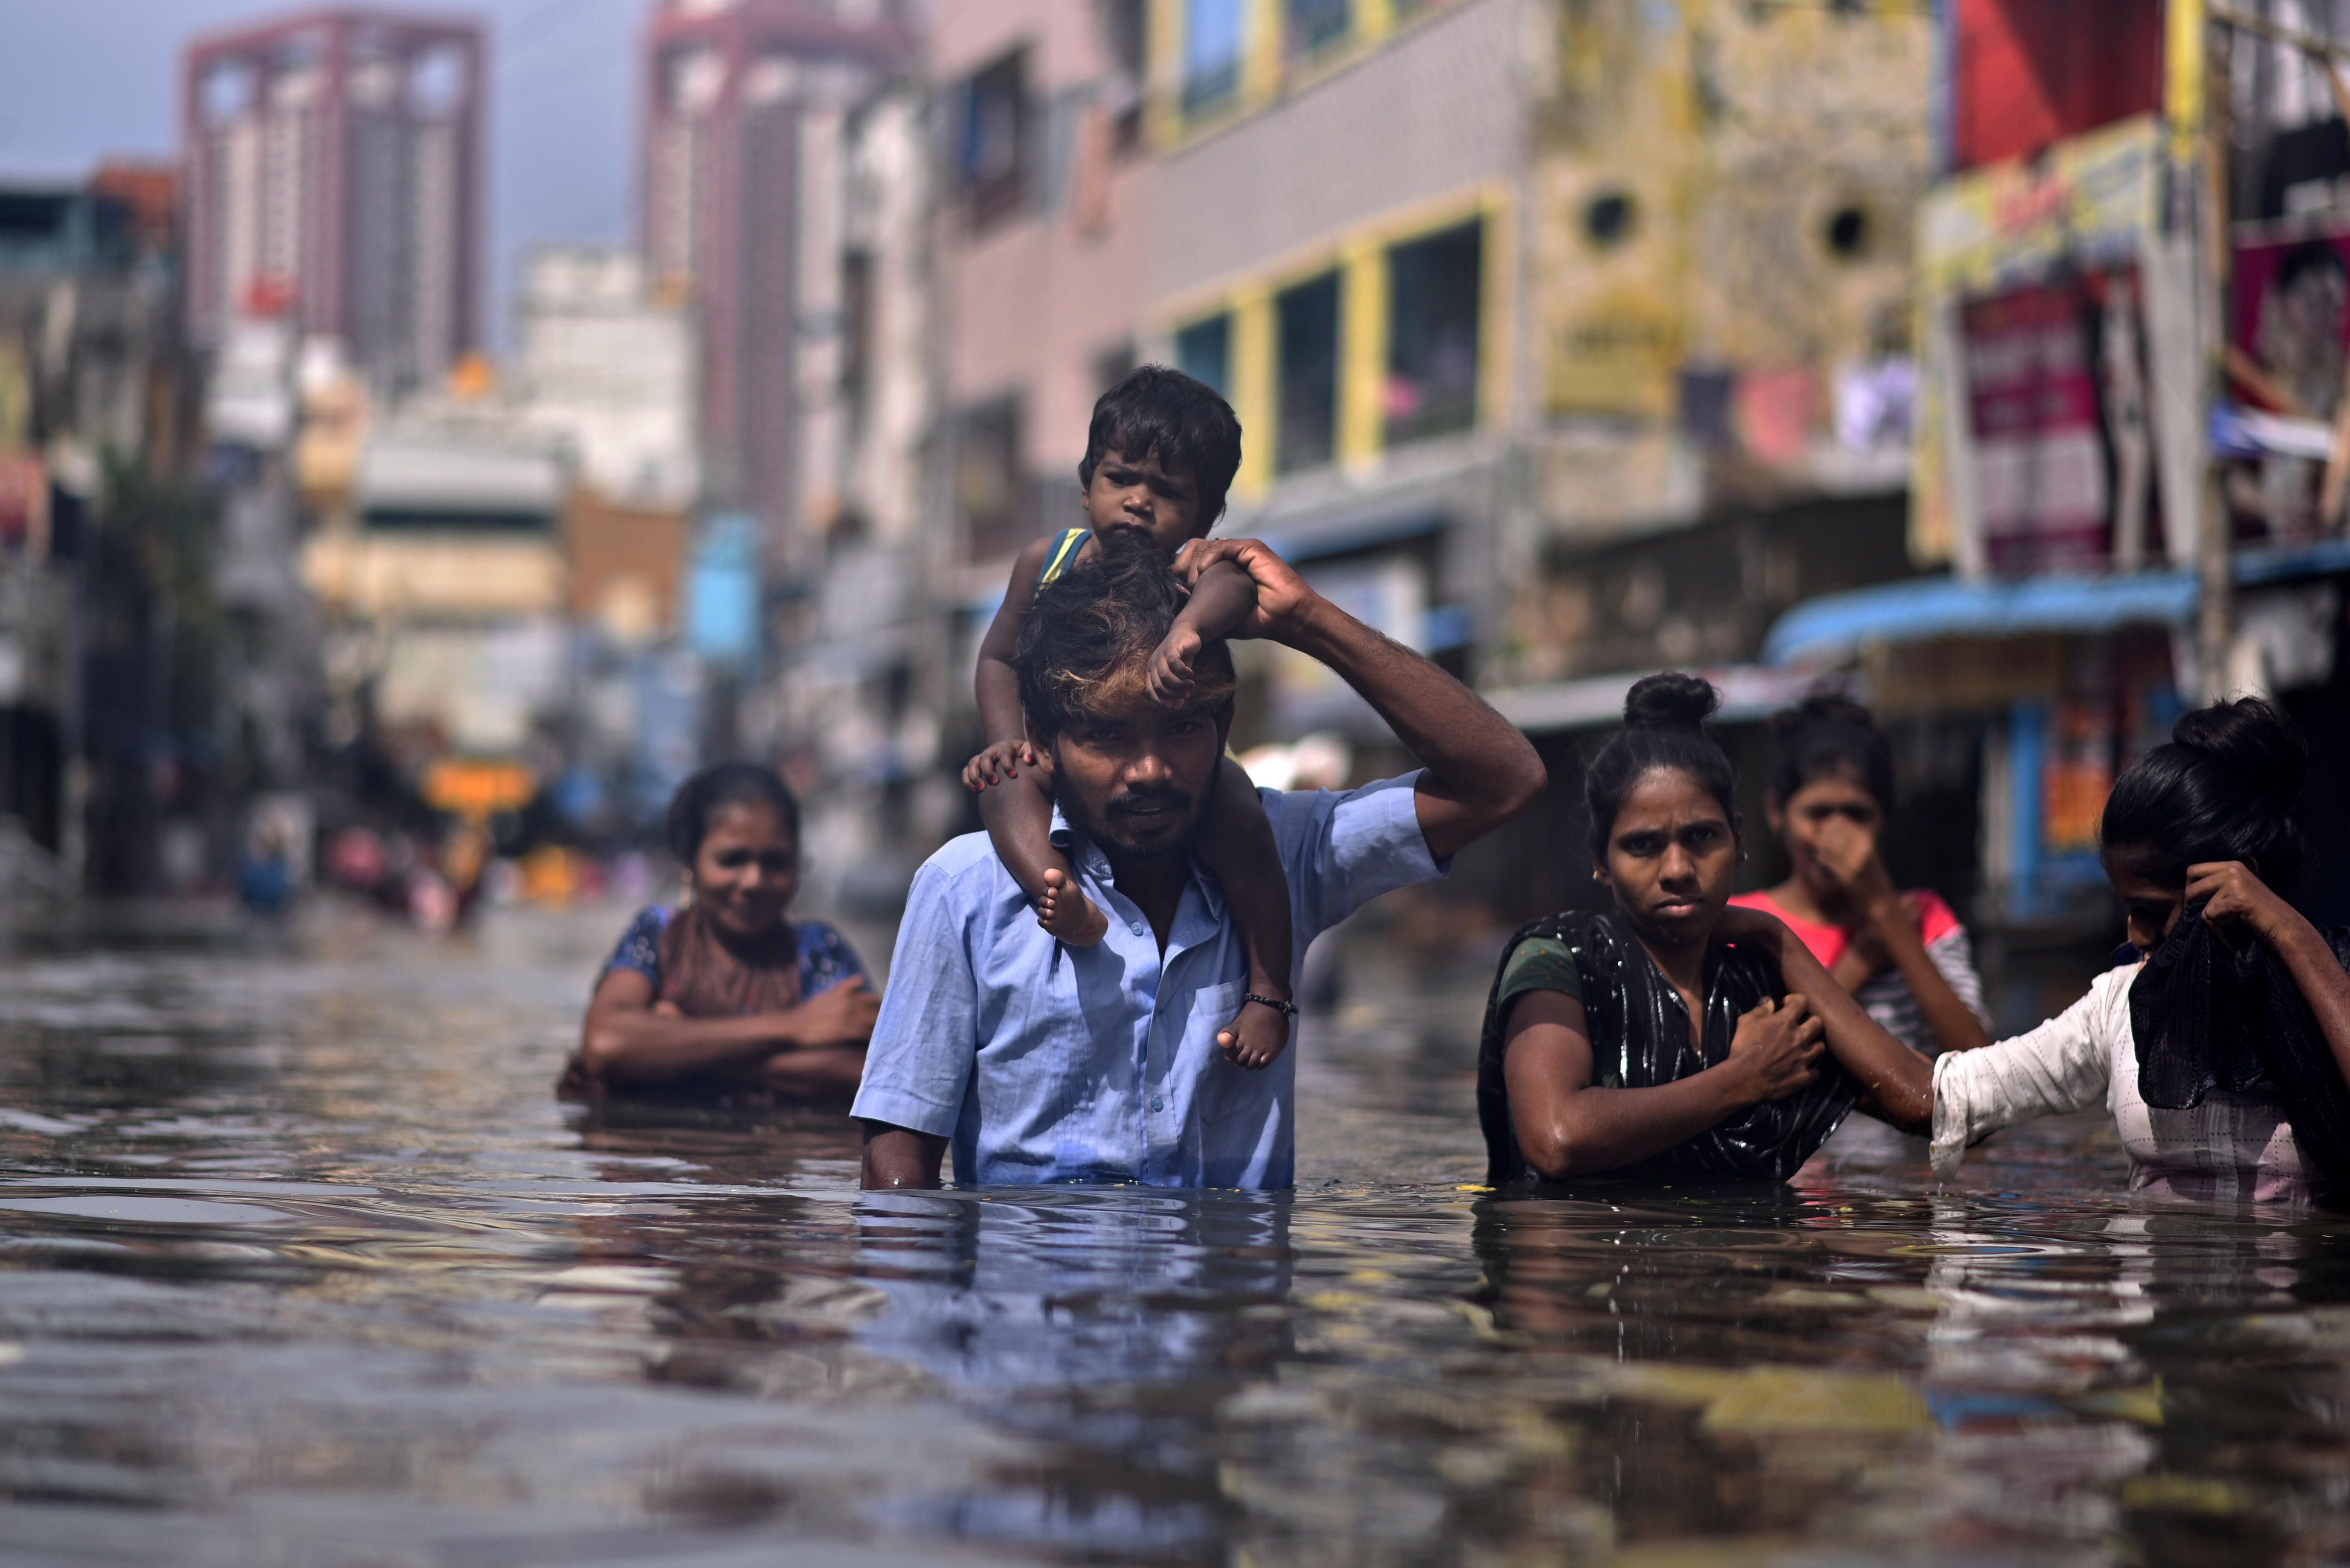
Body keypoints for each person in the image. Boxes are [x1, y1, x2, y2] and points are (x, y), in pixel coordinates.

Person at [856, 543, 1546, 1190]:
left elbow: (1505, 781)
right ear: (1041, 739)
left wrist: (1309, 620)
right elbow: (900, 1166)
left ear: (1224, 725)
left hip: (1230, 1313)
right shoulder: (964, 889)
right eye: (1107, 736)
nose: (1150, 770)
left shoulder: (1287, 853)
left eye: (1184, 728)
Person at [962, 365, 1296, 1071]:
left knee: (1242, 813)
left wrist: (1188, 632)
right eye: (1121, 480)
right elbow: (998, 660)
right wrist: (1006, 741)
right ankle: (1057, 892)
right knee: (1003, 784)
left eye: (1169, 492)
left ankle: (1268, 990)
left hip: (1183, 773)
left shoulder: (1196, 570)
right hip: (1068, 759)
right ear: (1087, 486)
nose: (1139, 503)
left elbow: (1236, 586)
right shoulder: (1048, 561)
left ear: (1207, 515)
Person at [1475, 674, 1932, 1186]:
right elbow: (1556, 1138)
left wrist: (1777, 939)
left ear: (1738, 842)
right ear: (1600, 862)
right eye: (1642, 845)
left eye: (1701, 837)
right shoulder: (1558, 959)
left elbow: (1925, 1106)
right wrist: (1742, 1079)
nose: (1676, 869)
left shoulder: (1757, 988)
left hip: (1736, 1262)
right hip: (1587, 1259)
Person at [1921, 698, 2350, 1205]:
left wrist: (2288, 932)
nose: (2136, 936)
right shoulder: (2121, 1003)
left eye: (2151, 911)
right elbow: (1954, 1094)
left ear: (2240, 888)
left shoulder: (2331, 978)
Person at [565, 763, 881, 1105]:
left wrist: (675, 1052)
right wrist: (795, 1027)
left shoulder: (817, 950)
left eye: (774, 862)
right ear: (691, 862)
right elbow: (608, 1041)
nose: (753, 881)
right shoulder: (660, 934)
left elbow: (870, 1073)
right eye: (733, 860)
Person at [1732, 694, 1990, 1060]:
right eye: (1818, 813)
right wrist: (1862, 957)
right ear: (1777, 812)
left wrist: (1889, 917)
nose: (1836, 833)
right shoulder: (1744, 927)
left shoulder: (1924, 917)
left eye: (1856, 814)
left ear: (1884, 817)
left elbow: (1979, 1055)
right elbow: (1765, 1059)